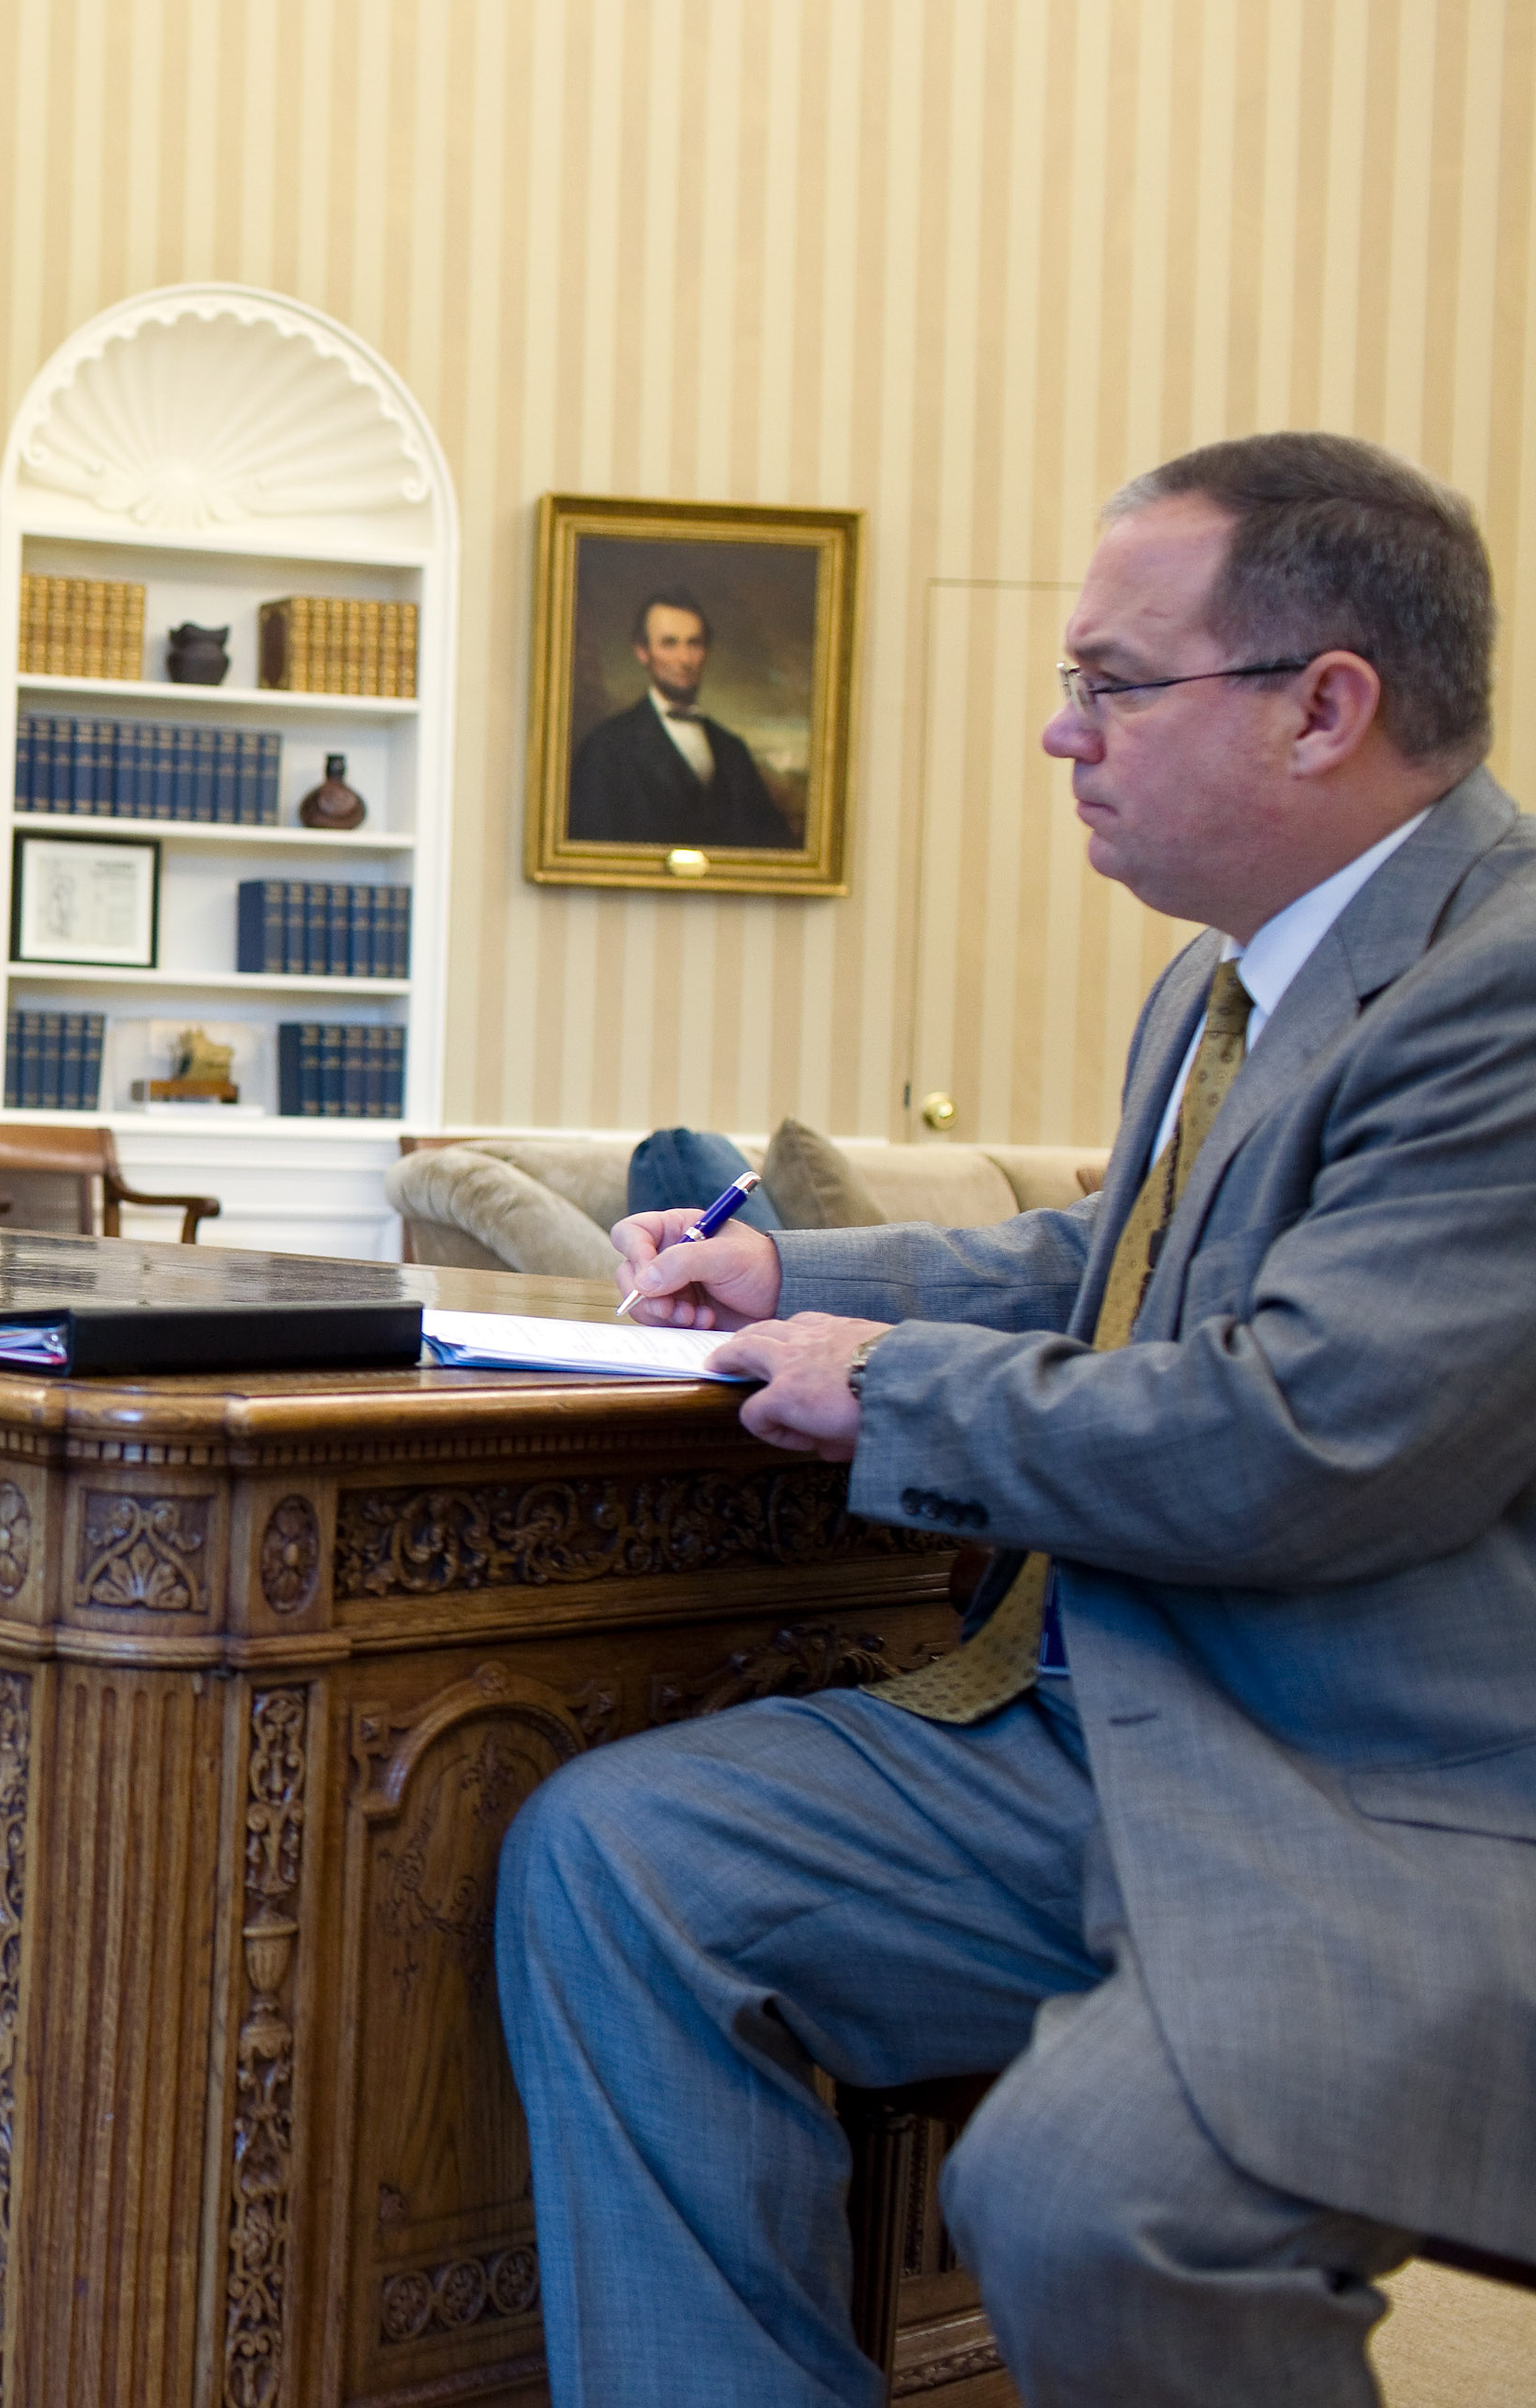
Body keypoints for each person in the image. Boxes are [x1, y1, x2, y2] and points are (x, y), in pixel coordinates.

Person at [497, 432, 1536, 2403]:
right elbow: (1114, 1259)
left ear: (1325, 707)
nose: (1061, 734)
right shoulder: (1218, 985)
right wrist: (796, 1280)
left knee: (1081, 2190)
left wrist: (885, 1384)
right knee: (619, 1858)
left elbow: (1298, 1437)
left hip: (1367, 1799)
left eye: (1108, 682)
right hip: (1092, 1731)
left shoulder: (1502, 987)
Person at [563, 588, 800, 849]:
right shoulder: (606, 747)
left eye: (694, 643)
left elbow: (772, 848)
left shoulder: (732, 751)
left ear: (706, 651)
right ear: (643, 652)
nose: (684, 659)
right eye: (669, 643)